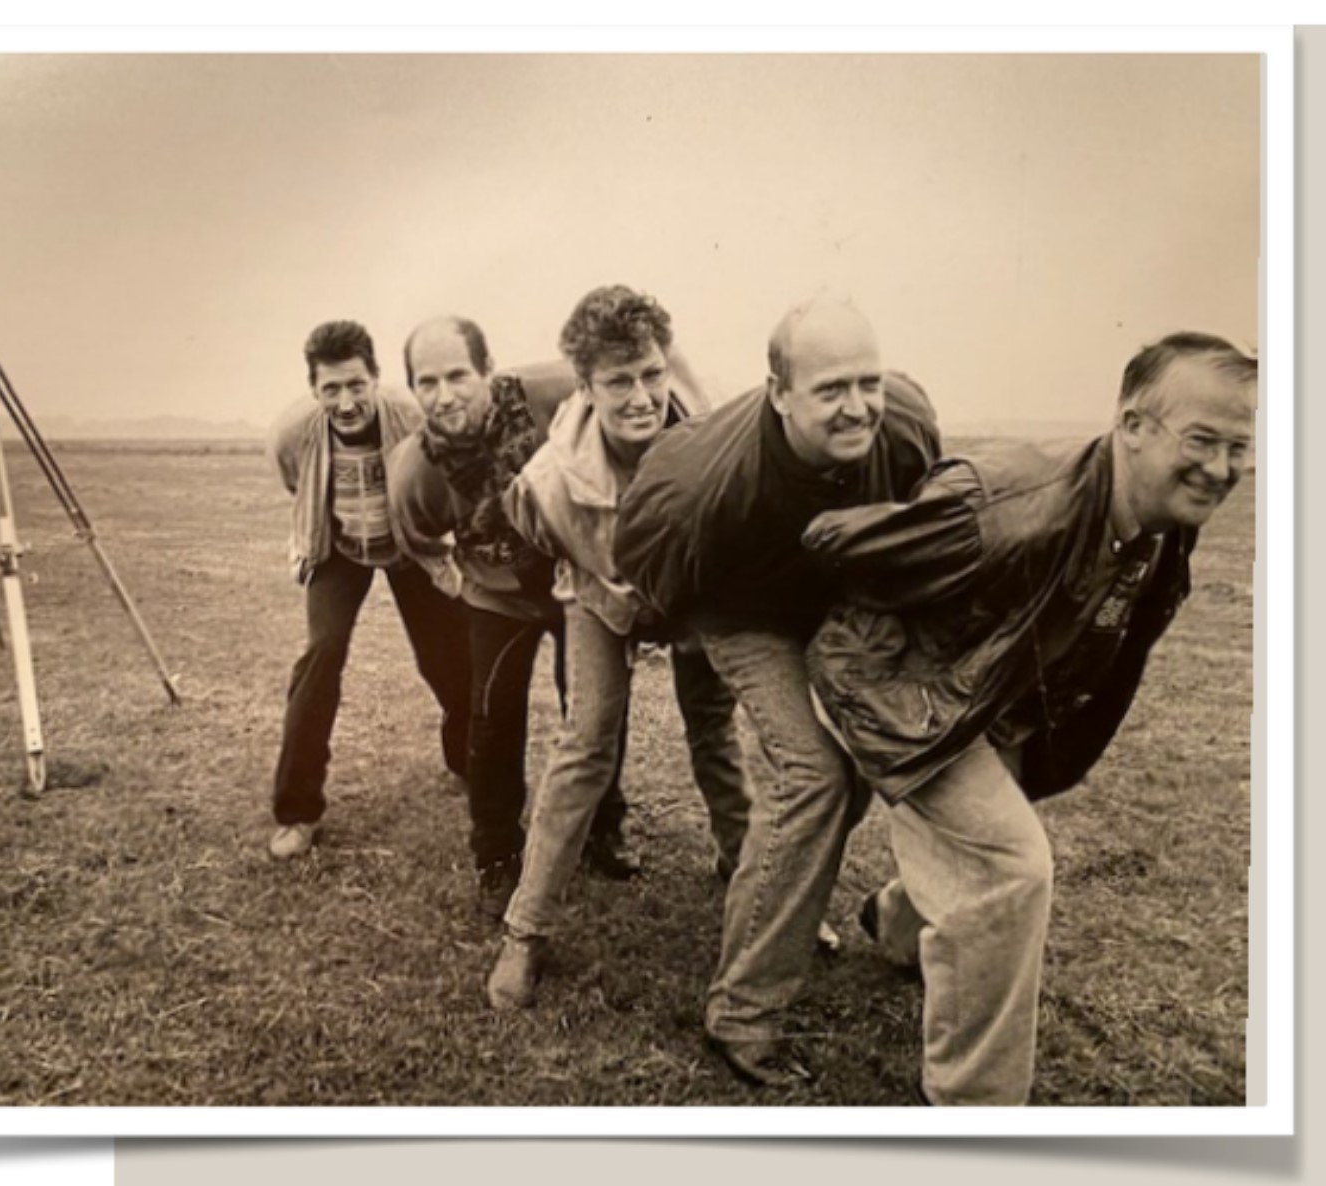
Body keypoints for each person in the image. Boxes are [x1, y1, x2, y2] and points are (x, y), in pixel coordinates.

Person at [799, 331, 1257, 1105]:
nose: (1218, 468)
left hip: (981, 700)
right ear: (1131, 425)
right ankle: (975, 1111)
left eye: (1237, 447)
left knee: (980, 843)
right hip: (893, 692)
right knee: (1009, 868)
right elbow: (836, 548)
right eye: (1200, 440)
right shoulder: (1007, 508)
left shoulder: (1162, 520)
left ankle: (896, 921)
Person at [614, 297, 941, 1085]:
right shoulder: (703, 485)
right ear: (779, 394)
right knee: (813, 776)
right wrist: (677, 627)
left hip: (835, 598)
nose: (857, 406)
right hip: (740, 613)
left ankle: (813, 902)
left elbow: (921, 528)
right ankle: (742, 1013)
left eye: (867, 381)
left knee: (860, 765)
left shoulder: (904, 426)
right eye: (830, 389)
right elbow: (645, 561)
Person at [483, 285, 750, 1010]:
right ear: (586, 386)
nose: (641, 397)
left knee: (713, 730)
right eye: (618, 381)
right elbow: (541, 540)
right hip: (601, 588)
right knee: (586, 743)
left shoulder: (716, 432)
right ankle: (524, 933)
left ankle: (752, 878)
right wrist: (615, 594)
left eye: (652, 374)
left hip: (696, 587)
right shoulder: (548, 482)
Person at [387, 317, 656, 920]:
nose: (444, 396)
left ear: (488, 369)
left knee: (592, 708)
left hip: (573, 579)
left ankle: (603, 826)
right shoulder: (414, 473)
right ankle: (497, 854)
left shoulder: (554, 395)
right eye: (427, 382)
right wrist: (463, 582)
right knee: (492, 714)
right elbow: (421, 542)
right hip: (497, 595)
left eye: (458, 375)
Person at [265, 320, 470, 861]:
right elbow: (295, 482)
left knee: (448, 660)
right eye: (331, 388)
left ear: (376, 378)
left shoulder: (413, 418)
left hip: (410, 547)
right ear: (313, 389)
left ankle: (469, 761)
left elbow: (444, 480)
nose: (346, 401)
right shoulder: (292, 433)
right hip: (340, 549)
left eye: (356, 385)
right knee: (322, 654)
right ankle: (297, 812)